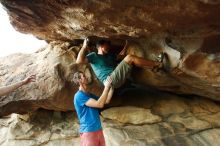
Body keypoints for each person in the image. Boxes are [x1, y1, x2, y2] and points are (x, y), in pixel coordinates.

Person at [76, 38, 164, 101]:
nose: (109, 47)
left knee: (130, 61)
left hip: (117, 79)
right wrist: (84, 46)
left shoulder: (110, 56)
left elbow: (122, 56)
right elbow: (79, 62)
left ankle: (152, 67)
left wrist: (126, 45)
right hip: (109, 80)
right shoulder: (93, 56)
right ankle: (158, 63)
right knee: (130, 58)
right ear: (101, 46)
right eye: (107, 45)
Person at [73, 71, 112, 146]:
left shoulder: (89, 95)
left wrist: (111, 87)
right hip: (88, 132)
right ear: (79, 81)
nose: (86, 77)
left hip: (98, 130)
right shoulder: (79, 96)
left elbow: (106, 101)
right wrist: (106, 87)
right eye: (83, 76)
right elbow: (99, 104)